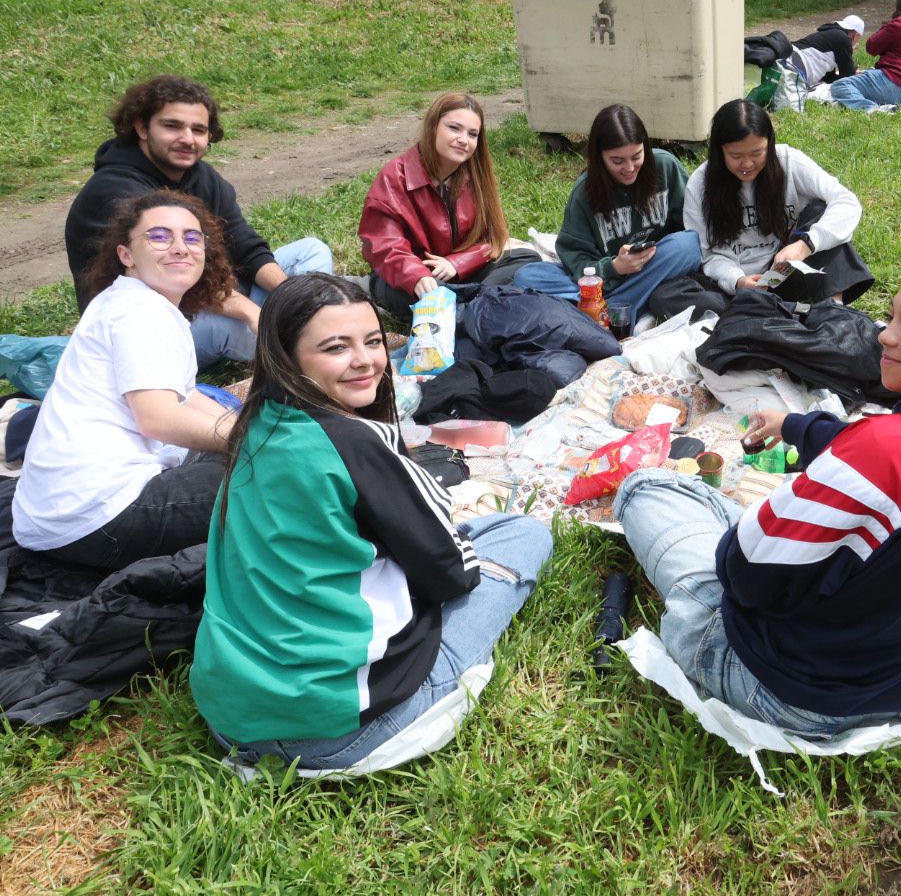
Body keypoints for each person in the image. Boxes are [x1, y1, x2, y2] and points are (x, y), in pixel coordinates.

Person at [613, 251, 901, 735]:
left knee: (648, 488)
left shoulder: (882, 451)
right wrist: (795, 425)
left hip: (797, 691)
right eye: (892, 317)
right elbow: (876, 458)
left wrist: (764, 524)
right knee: (742, 513)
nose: (885, 334)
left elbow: (745, 575)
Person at [190, 273, 553, 776]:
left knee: (469, 532)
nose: (365, 360)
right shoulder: (354, 442)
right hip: (338, 730)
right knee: (522, 534)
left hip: (232, 715)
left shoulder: (255, 427)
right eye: (336, 347)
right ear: (286, 356)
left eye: (373, 341)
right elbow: (450, 575)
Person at [14, 190, 236, 569]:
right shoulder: (142, 314)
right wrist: (261, 439)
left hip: (53, 516)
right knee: (272, 477)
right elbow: (159, 419)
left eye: (192, 237)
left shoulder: (127, 301)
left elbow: (185, 397)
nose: (180, 247)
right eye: (159, 236)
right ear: (126, 255)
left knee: (243, 450)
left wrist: (247, 423)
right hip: (97, 519)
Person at [64, 76, 334, 366]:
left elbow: (243, 242)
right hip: (158, 330)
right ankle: (309, 347)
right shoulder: (114, 192)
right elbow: (168, 283)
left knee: (311, 251)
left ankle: (297, 329)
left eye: (198, 130)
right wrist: (248, 311)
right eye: (172, 126)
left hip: (217, 298)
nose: (188, 139)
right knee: (253, 333)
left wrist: (290, 295)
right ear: (142, 127)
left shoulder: (202, 177)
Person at [667, 99, 871, 316]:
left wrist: (806, 245)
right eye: (736, 156)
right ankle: (791, 312)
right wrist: (738, 281)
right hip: (737, 286)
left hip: (784, 270)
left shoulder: (788, 162)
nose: (746, 164)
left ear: (769, 144)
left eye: (757, 153)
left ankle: (833, 313)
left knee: (822, 213)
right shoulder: (700, 184)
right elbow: (707, 254)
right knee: (668, 295)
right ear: (719, 152)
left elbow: (847, 202)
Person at [512, 103, 701, 324]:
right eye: (617, 161)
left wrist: (653, 258)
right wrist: (614, 267)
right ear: (599, 157)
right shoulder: (585, 192)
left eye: (637, 156)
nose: (629, 168)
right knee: (527, 276)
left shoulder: (665, 167)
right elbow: (576, 259)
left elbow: (690, 226)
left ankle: (603, 310)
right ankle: (622, 306)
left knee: (688, 243)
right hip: (607, 279)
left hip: (655, 267)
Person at [359, 92, 536, 322]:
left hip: (458, 274)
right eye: (454, 128)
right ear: (433, 127)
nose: (464, 139)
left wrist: (457, 263)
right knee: (407, 292)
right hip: (411, 278)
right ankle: (478, 303)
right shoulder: (394, 177)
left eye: (473, 134)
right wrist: (417, 276)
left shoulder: (476, 176)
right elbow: (385, 246)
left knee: (526, 259)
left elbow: (493, 237)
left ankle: (460, 305)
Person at [829, 0, 901, 113]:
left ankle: (873, 110)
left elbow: (871, 46)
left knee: (840, 86)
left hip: (898, 82)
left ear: (899, 9)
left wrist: (889, 24)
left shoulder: (900, 23)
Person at [792, 14, 864, 86]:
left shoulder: (831, 36)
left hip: (790, 57)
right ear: (856, 35)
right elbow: (848, 77)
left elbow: (829, 78)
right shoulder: (843, 38)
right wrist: (854, 70)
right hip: (796, 64)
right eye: (858, 39)